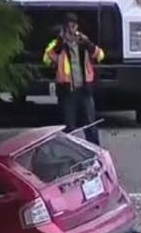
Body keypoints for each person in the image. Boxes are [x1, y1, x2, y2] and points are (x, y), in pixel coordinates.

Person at [43, 13, 106, 146]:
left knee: (90, 124)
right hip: (67, 91)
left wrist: (89, 45)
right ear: (64, 27)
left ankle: (95, 151)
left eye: (74, 26)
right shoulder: (57, 43)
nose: (71, 29)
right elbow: (47, 60)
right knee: (69, 127)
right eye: (69, 26)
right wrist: (59, 45)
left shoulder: (83, 40)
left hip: (85, 89)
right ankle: (70, 152)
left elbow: (100, 56)